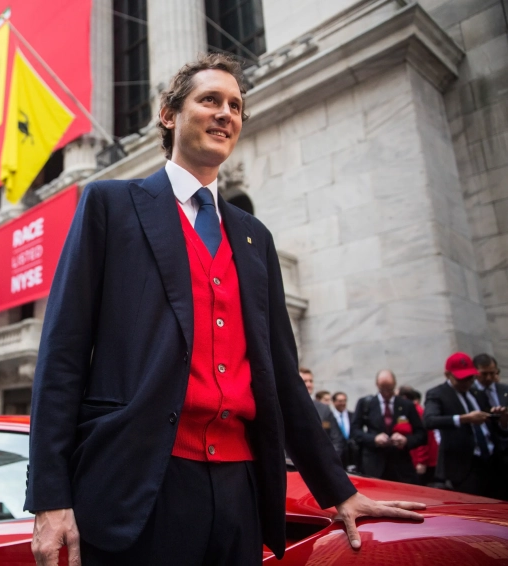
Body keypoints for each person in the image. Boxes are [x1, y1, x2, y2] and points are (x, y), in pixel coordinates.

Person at [25, 53, 424, 566]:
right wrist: (50, 497)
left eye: (235, 106)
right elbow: (62, 354)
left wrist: (338, 489)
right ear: (168, 114)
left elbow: (281, 375)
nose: (225, 114)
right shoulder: (109, 205)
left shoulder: (255, 237)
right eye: (210, 100)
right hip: (137, 487)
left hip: (240, 491)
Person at [424, 352, 508, 496]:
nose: (466, 383)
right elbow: (429, 420)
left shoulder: (477, 393)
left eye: (470, 378)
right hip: (464, 466)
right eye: (461, 379)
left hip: (492, 462)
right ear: (448, 375)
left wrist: (501, 420)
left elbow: (491, 426)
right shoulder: (438, 394)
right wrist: (464, 419)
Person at [352, 370, 426, 484]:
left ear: (395, 384)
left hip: (401, 465)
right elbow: (354, 431)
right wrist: (374, 439)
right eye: (383, 389)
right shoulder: (365, 404)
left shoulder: (406, 405)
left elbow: (421, 434)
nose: (386, 393)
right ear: (377, 385)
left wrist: (406, 440)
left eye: (389, 389)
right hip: (373, 465)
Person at [472, 353, 508, 499]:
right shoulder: (470, 393)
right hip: (481, 457)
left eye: (492, 373)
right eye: (484, 374)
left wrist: (504, 421)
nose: (488, 378)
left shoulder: (504, 390)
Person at [300, 368, 346, 460]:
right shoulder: (285, 407)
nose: (309, 384)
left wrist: (329, 461)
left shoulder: (323, 409)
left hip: (320, 461)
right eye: (305, 381)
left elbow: (336, 439)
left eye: (311, 381)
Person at [397, 386, 439, 485]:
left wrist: (421, 461)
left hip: (424, 460)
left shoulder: (416, 411)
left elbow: (423, 437)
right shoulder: (411, 410)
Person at [331, 391, 358, 471]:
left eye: (344, 401)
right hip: (336, 452)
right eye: (340, 401)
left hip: (351, 452)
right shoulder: (329, 416)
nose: (342, 403)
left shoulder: (352, 416)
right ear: (334, 402)